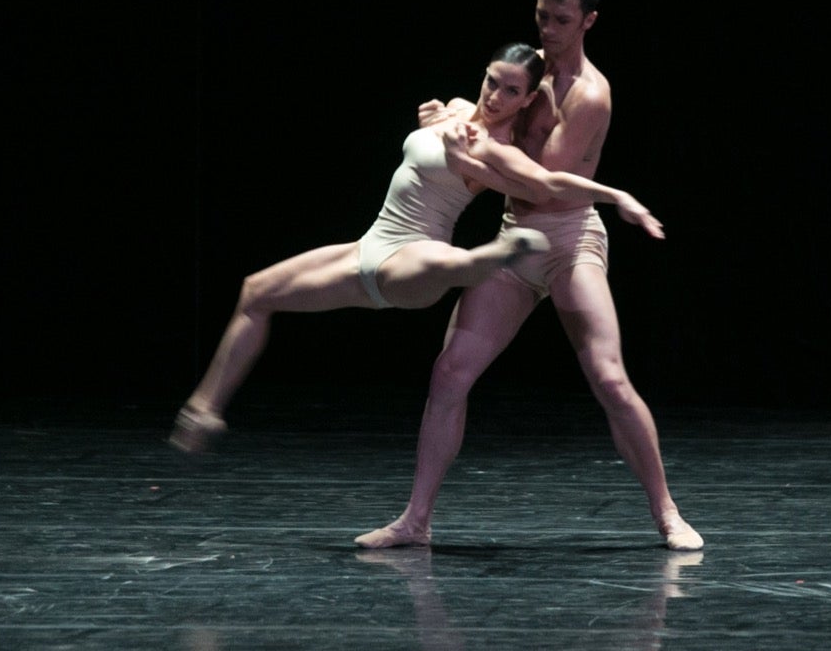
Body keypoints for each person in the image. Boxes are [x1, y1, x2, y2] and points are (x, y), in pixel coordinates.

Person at [355, 0, 703, 552]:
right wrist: (444, 121)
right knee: (449, 372)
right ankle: (416, 520)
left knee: (610, 379)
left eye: (561, 20)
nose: (548, 29)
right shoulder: (522, 73)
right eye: (542, 15)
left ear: (588, 21)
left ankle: (667, 512)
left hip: (569, 240)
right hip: (516, 239)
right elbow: (484, 122)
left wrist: (466, 149)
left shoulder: (589, 94)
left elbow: (542, 184)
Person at [169, 42, 666, 454]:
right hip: (370, 245)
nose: (495, 95)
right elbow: (444, 118)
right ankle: (204, 409)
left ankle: (484, 260)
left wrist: (616, 195)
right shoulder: (452, 111)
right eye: (493, 81)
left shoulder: (494, 148)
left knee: (444, 260)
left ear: (526, 99)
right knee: (256, 291)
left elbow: (549, 182)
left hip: (417, 256)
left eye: (511, 90)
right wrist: (435, 116)